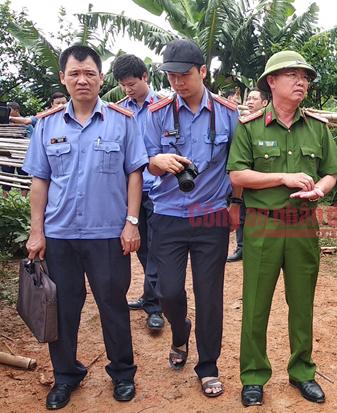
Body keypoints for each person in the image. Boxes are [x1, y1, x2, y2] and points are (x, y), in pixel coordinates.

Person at [23, 44, 146, 410]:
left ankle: (123, 373)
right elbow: (40, 182)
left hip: (108, 234)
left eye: (89, 73)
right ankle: (66, 375)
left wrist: (132, 223)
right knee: (63, 309)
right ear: (63, 77)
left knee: (113, 305)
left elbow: (134, 175)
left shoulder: (122, 121)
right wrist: (36, 231)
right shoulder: (46, 126)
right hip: (60, 236)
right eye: (74, 73)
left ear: (101, 78)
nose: (82, 80)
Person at [228, 50, 337, 407]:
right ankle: (253, 375)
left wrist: (320, 189)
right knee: (256, 305)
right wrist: (282, 176)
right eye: (292, 75)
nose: (301, 82)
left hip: (302, 227)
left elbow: (331, 172)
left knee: (301, 303)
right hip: (263, 227)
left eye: (305, 77)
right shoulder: (249, 127)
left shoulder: (317, 128)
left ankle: (303, 372)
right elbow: (237, 175)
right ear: (272, 82)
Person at [144, 38, 239, 398]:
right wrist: (158, 162)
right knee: (167, 290)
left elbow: (236, 165)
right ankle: (180, 331)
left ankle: (208, 365)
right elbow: (145, 159)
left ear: (202, 72)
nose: (178, 83)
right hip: (167, 215)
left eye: (184, 75)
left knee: (209, 294)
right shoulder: (157, 114)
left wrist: (233, 205)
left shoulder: (229, 114)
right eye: (170, 77)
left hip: (210, 216)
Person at [112, 54, 166, 332]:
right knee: (142, 249)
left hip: (159, 190)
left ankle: (155, 307)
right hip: (132, 192)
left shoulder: (165, 107)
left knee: (156, 249)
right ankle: (151, 295)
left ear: (145, 76)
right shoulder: (121, 111)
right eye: (123, 85)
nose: (128, 89)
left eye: (132, 83)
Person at [227, 89, 269, 263]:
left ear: (265, 103)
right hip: (242, 177)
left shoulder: (268, 125)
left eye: (254, 98)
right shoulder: (240, 123)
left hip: (262, 179)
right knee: (240, 211)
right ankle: (241, 247)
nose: (250, 102)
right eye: (248, 98)